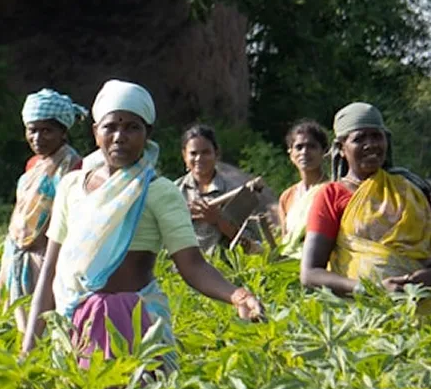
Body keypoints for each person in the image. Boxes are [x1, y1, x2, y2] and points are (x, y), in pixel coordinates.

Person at [21, 81, 263, 368]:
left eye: (132, 127)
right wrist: (29, 349)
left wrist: (237, 295)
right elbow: (50, 272)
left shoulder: (158, 192)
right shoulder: (72, 187)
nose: (120, 136)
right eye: (110, 127)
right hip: (76, 322)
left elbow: (193, 265)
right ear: (95, 132)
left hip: (136, 321)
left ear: (148, 134)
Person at [300, 102, 431, 313]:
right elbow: (310, 273)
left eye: (376, 136)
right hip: (362, 317)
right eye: (359, 139)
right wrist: (371, 289)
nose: (371, 144)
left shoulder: (411, 190)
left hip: (424, 307)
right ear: (341, 149)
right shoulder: (331, 196)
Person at [0, 89, 86, 319]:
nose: (37, 138)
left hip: (51, 258)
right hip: (21, 254)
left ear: (63, 132)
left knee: (48, 324)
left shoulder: (74, 166)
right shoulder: (33, 166)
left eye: (47, 131)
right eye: (32, 130)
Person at [177, 125, 260, 254]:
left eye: (206, 152)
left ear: (217, 154)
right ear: (184, 156)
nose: (199, 158)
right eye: (193, 153)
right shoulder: (174, 192)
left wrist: (218, 220)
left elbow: (255, 248)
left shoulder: (235, 192)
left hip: (222, 271)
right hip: (178, 271)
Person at [275, 120, 329, 258]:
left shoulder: (332, 191)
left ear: (324, 151)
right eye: (299, 147)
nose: (304, 152)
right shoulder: (287, 196)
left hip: (320, 265)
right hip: (289, 266)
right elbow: (285, 240)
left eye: (312, 146)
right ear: (290, 153)